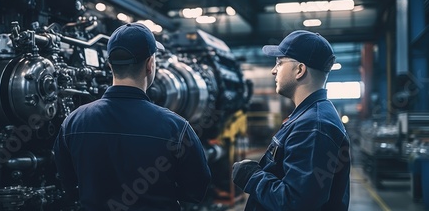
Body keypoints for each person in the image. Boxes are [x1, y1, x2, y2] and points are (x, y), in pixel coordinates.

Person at [53, 23, 211, 211]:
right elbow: (197, 191)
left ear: (110, 64)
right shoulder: (176, 127)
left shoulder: (73, 123)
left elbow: (66, 185)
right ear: (150, 65)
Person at [232, 30, 350, 210]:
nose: (273, 71)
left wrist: (252, 177)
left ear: (300, 70)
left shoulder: (312, 126)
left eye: (279, 63)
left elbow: (295, 204)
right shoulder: (308, 117)